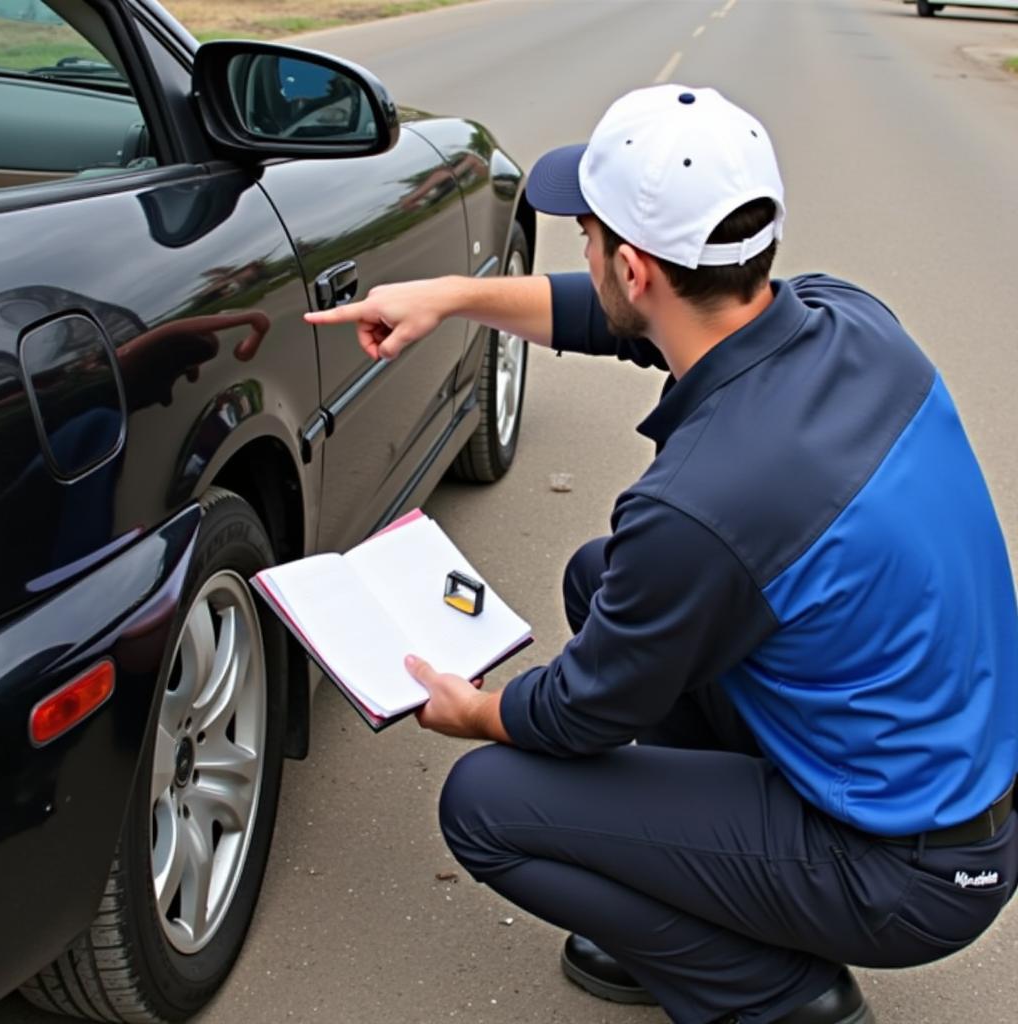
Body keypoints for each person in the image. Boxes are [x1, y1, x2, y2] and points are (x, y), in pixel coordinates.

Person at [305, 85, 1018, 1024]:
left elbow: (576, 715)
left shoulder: (703, 504)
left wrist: (472, 708)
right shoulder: (845, 319)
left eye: (589, 235)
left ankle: (780, 997)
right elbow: (611, 320)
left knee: (486, 804)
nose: (583, 249)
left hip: (904, 870)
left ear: (634, 266)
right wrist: (452, 298)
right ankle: (706, 885)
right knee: (601, 579)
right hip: (945, 785)